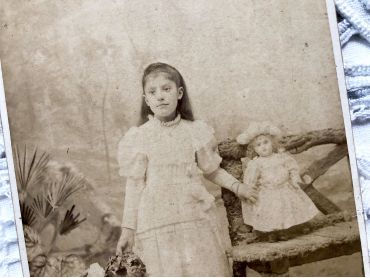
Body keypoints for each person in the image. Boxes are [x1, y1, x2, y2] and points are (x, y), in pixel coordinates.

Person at [116, 62, 257, 276]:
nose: (160, 96)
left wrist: (238, 187)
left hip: (193, 214)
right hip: (156, 217)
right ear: (146, 100)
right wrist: (127, 230)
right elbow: (134, 184)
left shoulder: (194, 131)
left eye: (166, 89)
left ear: (179, 92)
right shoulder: (140, 137)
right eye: (152, 92)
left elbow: (211, 170)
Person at [236, 122, 321, 241]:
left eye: (266, 142)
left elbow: (292, 168)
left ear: (272, 142)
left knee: (294, 207)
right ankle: (277, 231)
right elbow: (251, 180)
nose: (263, 147)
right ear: (254, 149)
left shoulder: (281, 157)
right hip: (268, 192)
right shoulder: (256, 163)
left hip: (286, 188)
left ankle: (300, 225)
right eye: (258, 145)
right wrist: (250, 190)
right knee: (274, 212)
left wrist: (295, 178)